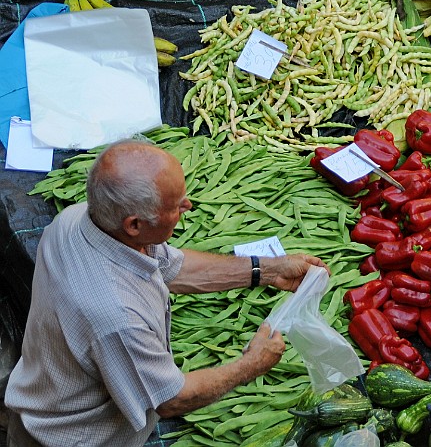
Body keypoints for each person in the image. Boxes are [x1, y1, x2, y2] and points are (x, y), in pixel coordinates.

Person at [4, 139, 328, 447]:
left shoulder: (76, 221)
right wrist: (251, 365)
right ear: (134, 224)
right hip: (72, 438)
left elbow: (173, 267)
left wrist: (269, 270)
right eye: (175, 206)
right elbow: (171, 399)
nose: (188, 205)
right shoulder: (117, 316)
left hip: (45, 390)